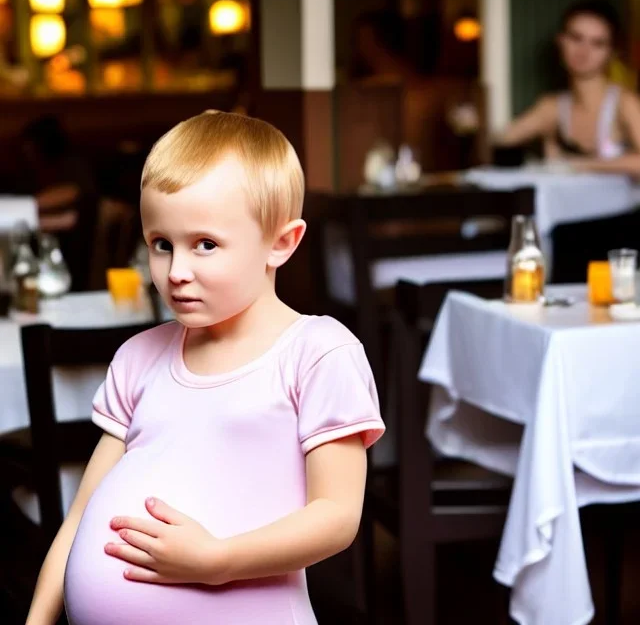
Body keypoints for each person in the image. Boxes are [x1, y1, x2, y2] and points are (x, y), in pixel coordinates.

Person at [25, 111, 385, 625]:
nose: (176, 273)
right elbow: (81, 515)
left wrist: (216, 561)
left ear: (280, 243)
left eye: (206, 245)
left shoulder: (317, 352)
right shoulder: (139, 356)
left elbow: (336, 517)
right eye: (161, 244)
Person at [497, 0, 640, 177]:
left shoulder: (624, 103)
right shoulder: (552, 106)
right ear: (561, 40)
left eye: (597, 43)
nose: (584, 51)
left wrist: (577, 165)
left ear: (610, 52)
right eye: (576, 38)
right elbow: (502, 139)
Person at [19, 115, 98, 291]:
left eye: (29, 145)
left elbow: (72, 195)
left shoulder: (72, 164)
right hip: (56, 243)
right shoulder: (37, 171)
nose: (26, 150)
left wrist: (24, 208)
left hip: (77, 252)